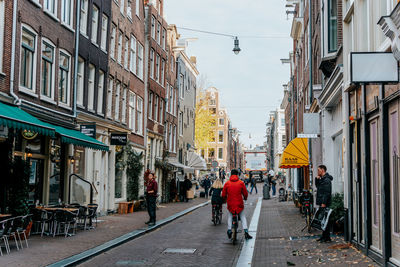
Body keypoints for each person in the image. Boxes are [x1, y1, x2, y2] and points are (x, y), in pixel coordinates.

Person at [222, 169, 253, 240]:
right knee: (242, 217)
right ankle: (246, 231)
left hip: (230, 203)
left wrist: (224, 199)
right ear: (237, 175)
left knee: (230, 216)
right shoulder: (241, 183)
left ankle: (229, 230)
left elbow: (223, 194)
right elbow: (245, 193)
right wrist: (245, 198)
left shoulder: (227, 183)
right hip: (239, 203)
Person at [315, 164, 333, 243]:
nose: (317, 172)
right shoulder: (322, 179)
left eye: (318, 170)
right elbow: (318, 187)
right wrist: (316, 179)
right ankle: (324, 236)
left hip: (324, 203)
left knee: (326, 220)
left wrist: (324, 203)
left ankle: (327, 237)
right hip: (322, 202)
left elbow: (327, 193)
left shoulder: (326, 180)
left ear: (322, 170)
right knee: (323, 219)